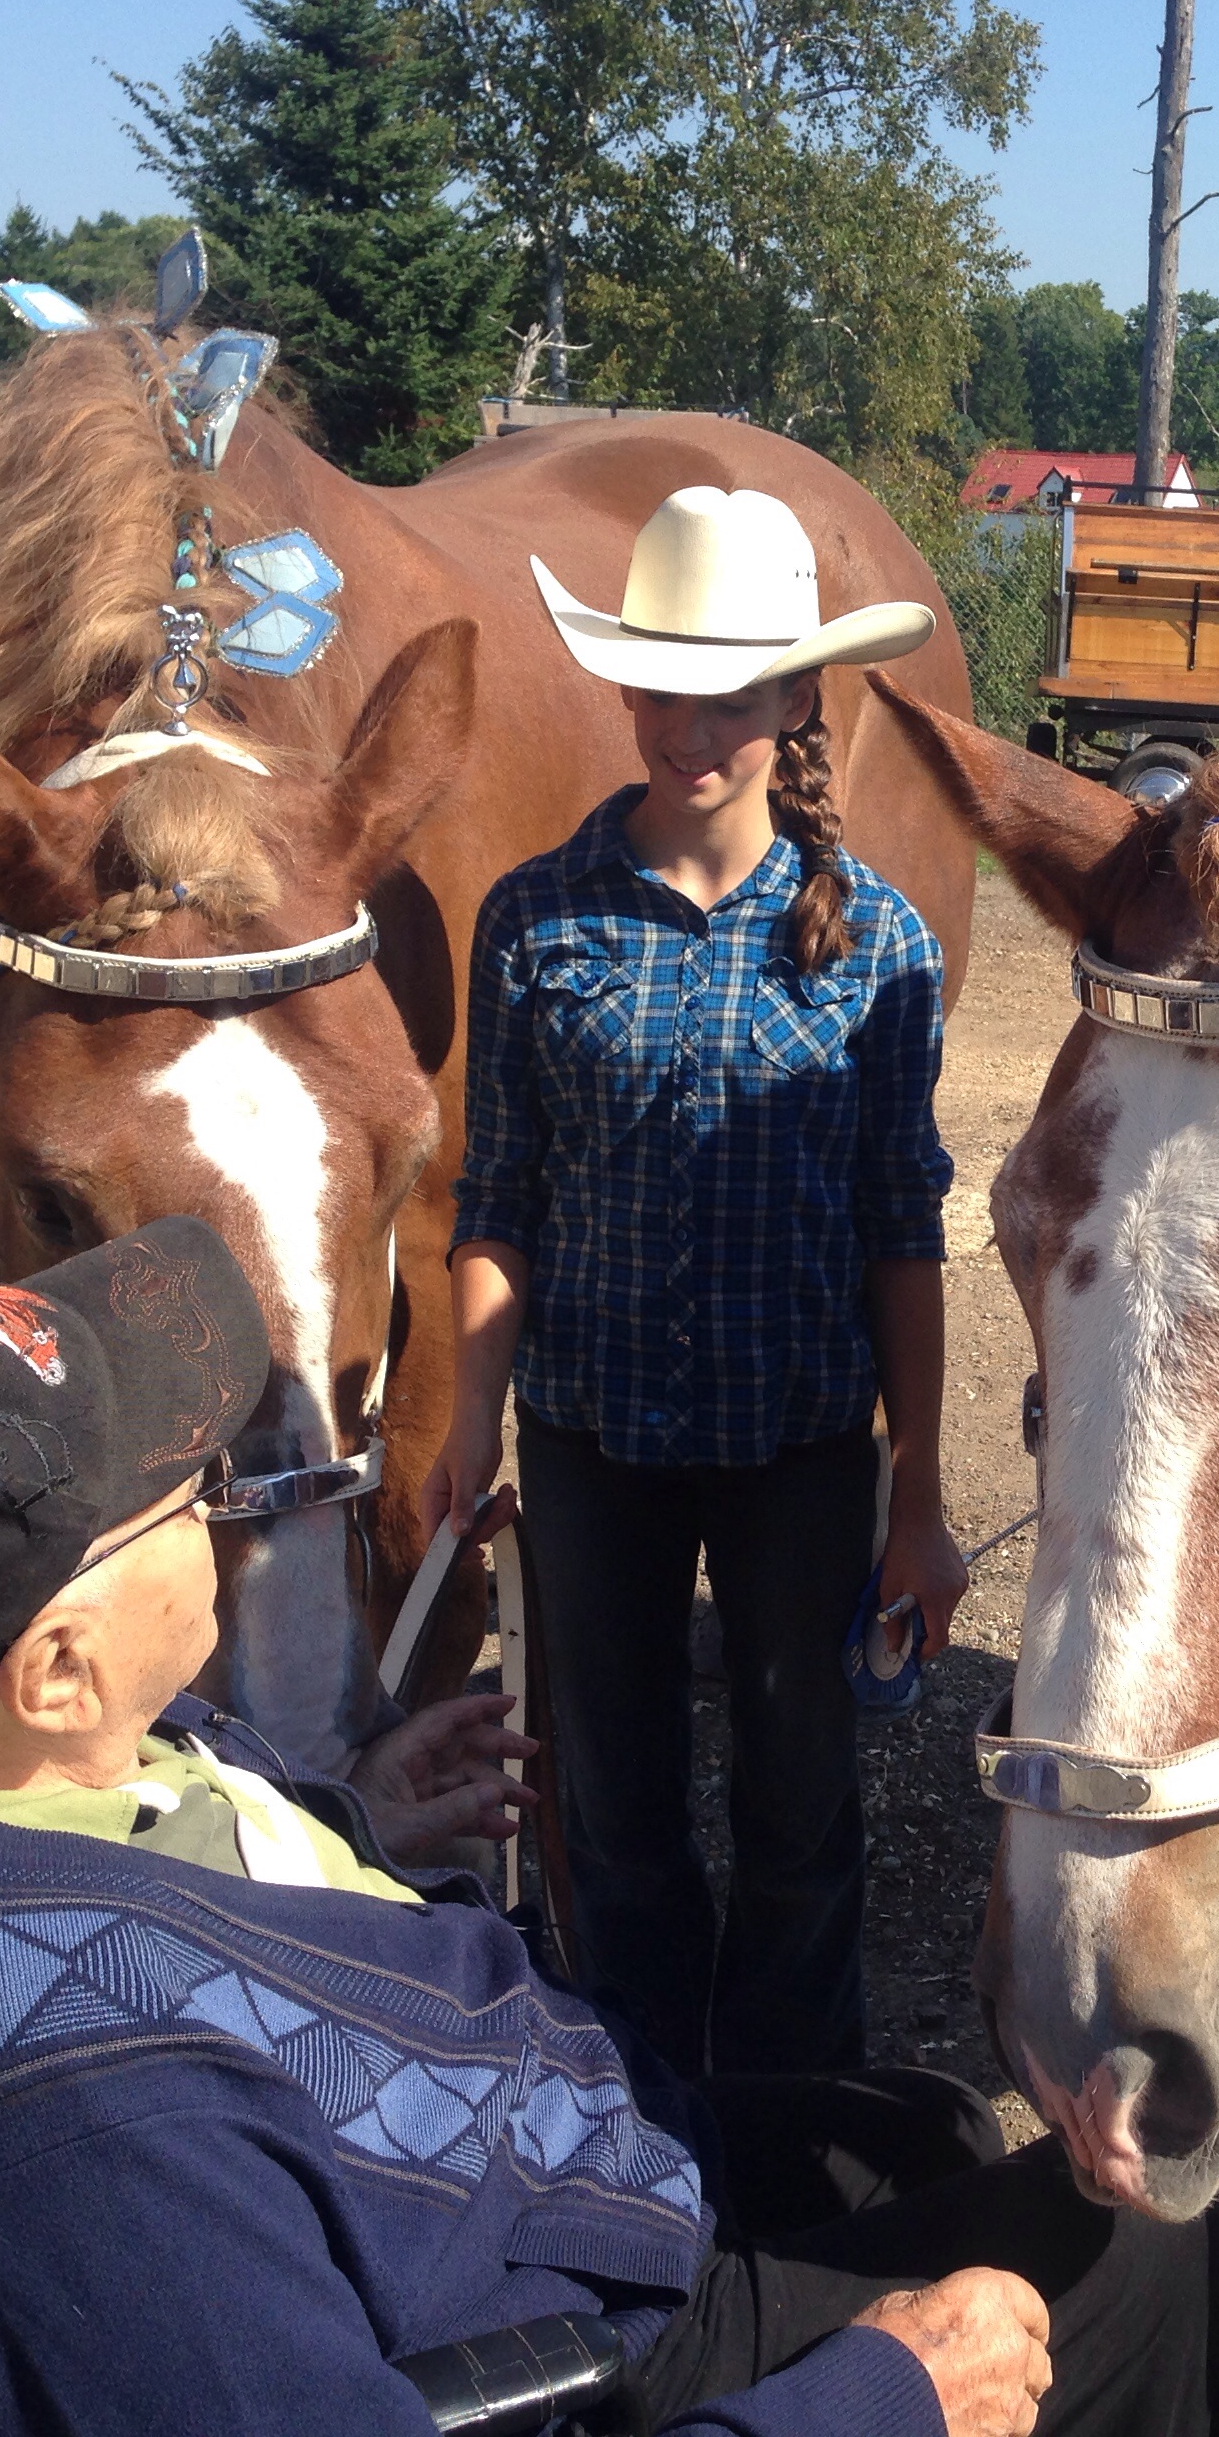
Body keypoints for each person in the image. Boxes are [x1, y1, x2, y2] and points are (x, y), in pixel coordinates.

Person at [0, 1221, 1219, 2437]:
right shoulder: (89, 2146)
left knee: (916, 2132)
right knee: (1142, 2251)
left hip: (500, 2154)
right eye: (189, 1494)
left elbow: (144, 1843)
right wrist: (881, 2400)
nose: (231, 1492)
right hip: (567, 2337)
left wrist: (341, 1824)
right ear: (52, 1665)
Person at [425, 486, 966, 2079]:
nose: (689, 729)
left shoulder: (880, 949)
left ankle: (794, 2121)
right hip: (593, 1441)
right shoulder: (534, 921)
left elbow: (901, 1226)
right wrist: (473, 1422)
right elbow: (500, 1195)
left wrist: (919, 1491)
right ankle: (645, 2112)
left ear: (799, 697)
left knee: (804, 1805)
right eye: (661, 689)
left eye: (730, 694)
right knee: (613, 1802)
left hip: (803, 1443)